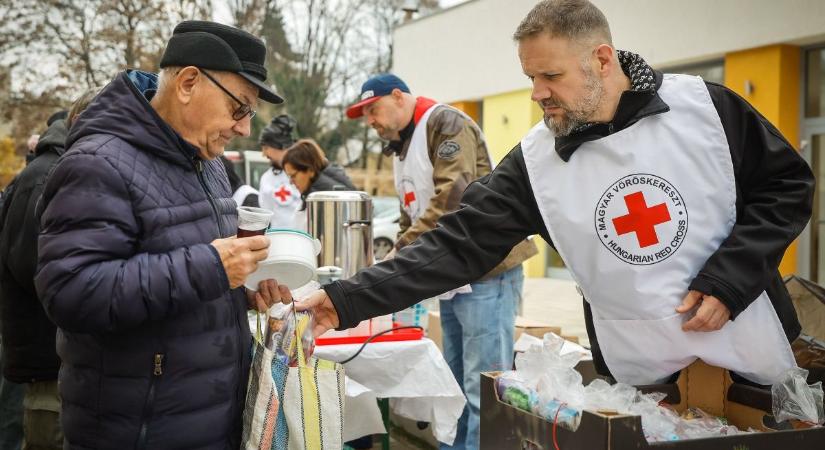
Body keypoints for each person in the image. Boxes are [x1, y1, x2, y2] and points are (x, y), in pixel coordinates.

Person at [297, 0, 814, 432]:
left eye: (551, 75)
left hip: (755, 364)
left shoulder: (707, 108)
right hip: (642, 386)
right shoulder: (536, 162)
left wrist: (730, 279)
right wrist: (347, 299)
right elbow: (456, 245)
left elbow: (787, 186)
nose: (537, 92)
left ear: (603, 60)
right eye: (530, 76)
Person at [33, 21, 291, 449]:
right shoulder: (98, 163)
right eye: (240, 108)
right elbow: (69, 293)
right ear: (189, 82)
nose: (245, 128)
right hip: (137, 430)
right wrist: (212, 268)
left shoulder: (205, 161)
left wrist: (239, 290)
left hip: (206, 419)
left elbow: (188, 272)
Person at [344, 73, 538, 449]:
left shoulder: (445, 124)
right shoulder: (401, 148)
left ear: (399, 97)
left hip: (488, 270)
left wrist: (404, 250)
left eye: (373, 109)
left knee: (482, 386)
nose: (370, 120)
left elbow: (454, 193)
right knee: (453, 386)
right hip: (453, 275)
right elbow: (410, 213)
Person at [0, 90, 97, 450]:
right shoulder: (46, 177)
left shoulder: (62, 169)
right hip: (49, 366)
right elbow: (38, 273)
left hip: (64, 363)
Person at [282, 138, 356, 230]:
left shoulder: (322, 201)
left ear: (310, 170)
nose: (291, 182)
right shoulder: (317, 193)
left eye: (293, 175)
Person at [258, 114, 301, 228]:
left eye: (266, 148)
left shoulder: (306, 172)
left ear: (280, 145)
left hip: (306, 242)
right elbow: (265, 217)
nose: (264, 154)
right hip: (278, 241)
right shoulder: (266, 178)